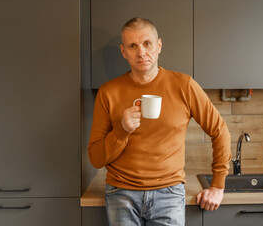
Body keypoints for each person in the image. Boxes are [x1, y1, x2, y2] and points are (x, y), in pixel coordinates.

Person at [88, 17, 231, 226]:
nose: (141, 53)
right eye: (132, 46)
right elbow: (95, 158)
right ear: (123, 51)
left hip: (169, 193)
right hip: (121, 193)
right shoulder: (108, 92)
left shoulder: (184, 85)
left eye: (147, 44)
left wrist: (218, 185)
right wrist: (122, 130)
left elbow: (219, 130)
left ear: (159, 46)